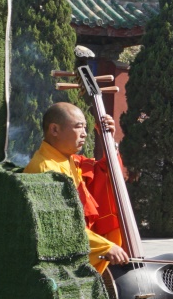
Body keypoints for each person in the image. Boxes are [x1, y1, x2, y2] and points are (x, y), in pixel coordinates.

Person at [23, 102, 130, 273]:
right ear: (54, 130)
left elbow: (103, 174)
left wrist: (109, 141)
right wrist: (104, 246)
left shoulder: (69, 160)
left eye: (85, 128)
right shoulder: (45, 169)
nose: (84, 134)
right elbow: (60, 224)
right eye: (78, 127)